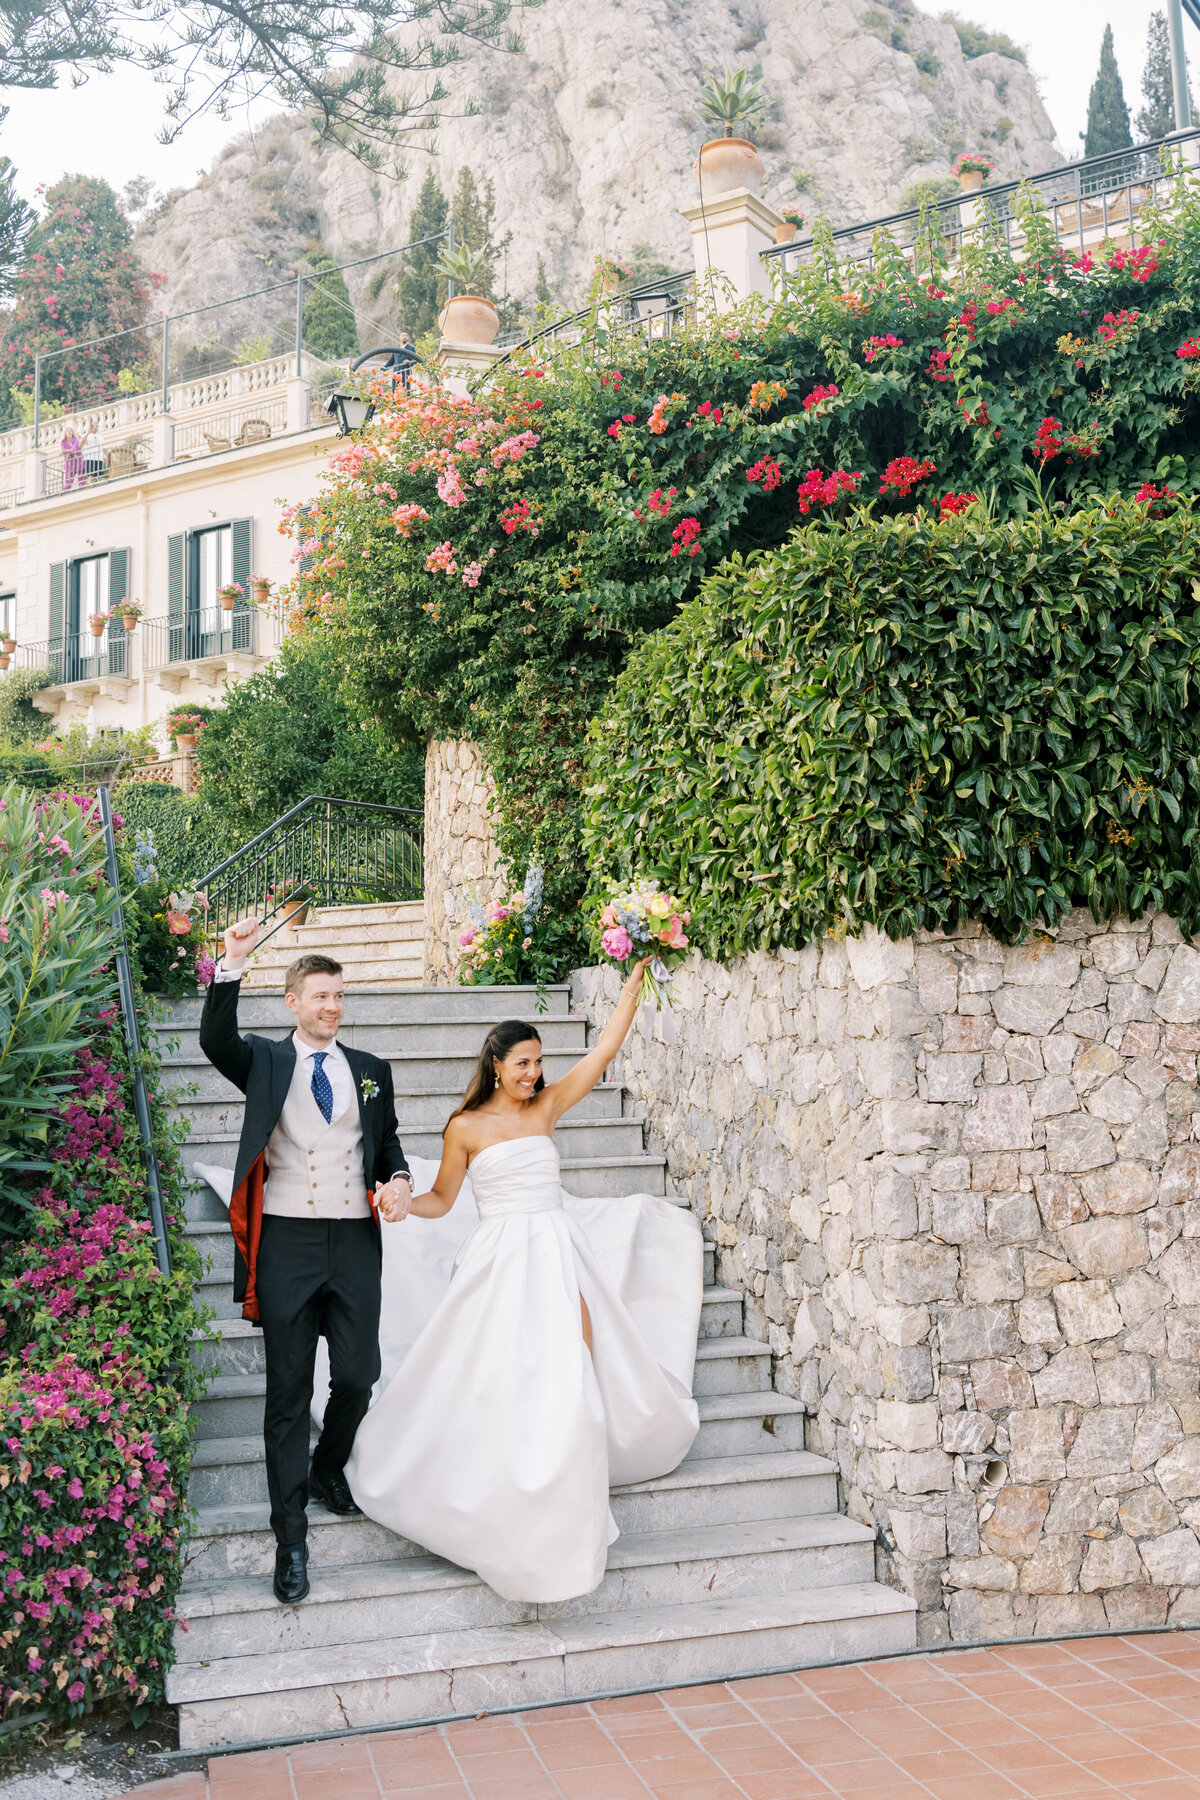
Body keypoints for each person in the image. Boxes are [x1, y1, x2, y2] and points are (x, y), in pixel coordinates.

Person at [346, 967, 703, 1603]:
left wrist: (628, 990)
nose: (532, 1073)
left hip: (559, 1251)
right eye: (521, 1063)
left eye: (538, 1062)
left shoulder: (548, 1106)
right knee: (506, 1376)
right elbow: (441, 1199)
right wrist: (398, 1208)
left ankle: (572, 1502)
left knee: (577, 1365)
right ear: (494, 1062)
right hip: (501, 1259)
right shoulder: (466, 1127)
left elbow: (603, 1052)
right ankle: (505, 1490)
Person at [198, 916, 414, 1605]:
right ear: (293, 1001)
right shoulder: (265, 1060)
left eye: (339, 997)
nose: (331, 1006)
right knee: (287, 1394)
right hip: (287, 1241)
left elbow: (388, 1149)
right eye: (320, 995)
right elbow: (214, 1039)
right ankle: (291, 1540)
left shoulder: (371, 1073)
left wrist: (400, 1181)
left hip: (351, 1240)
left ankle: (328, 1467)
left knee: (358, 1374)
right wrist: (231, 961)